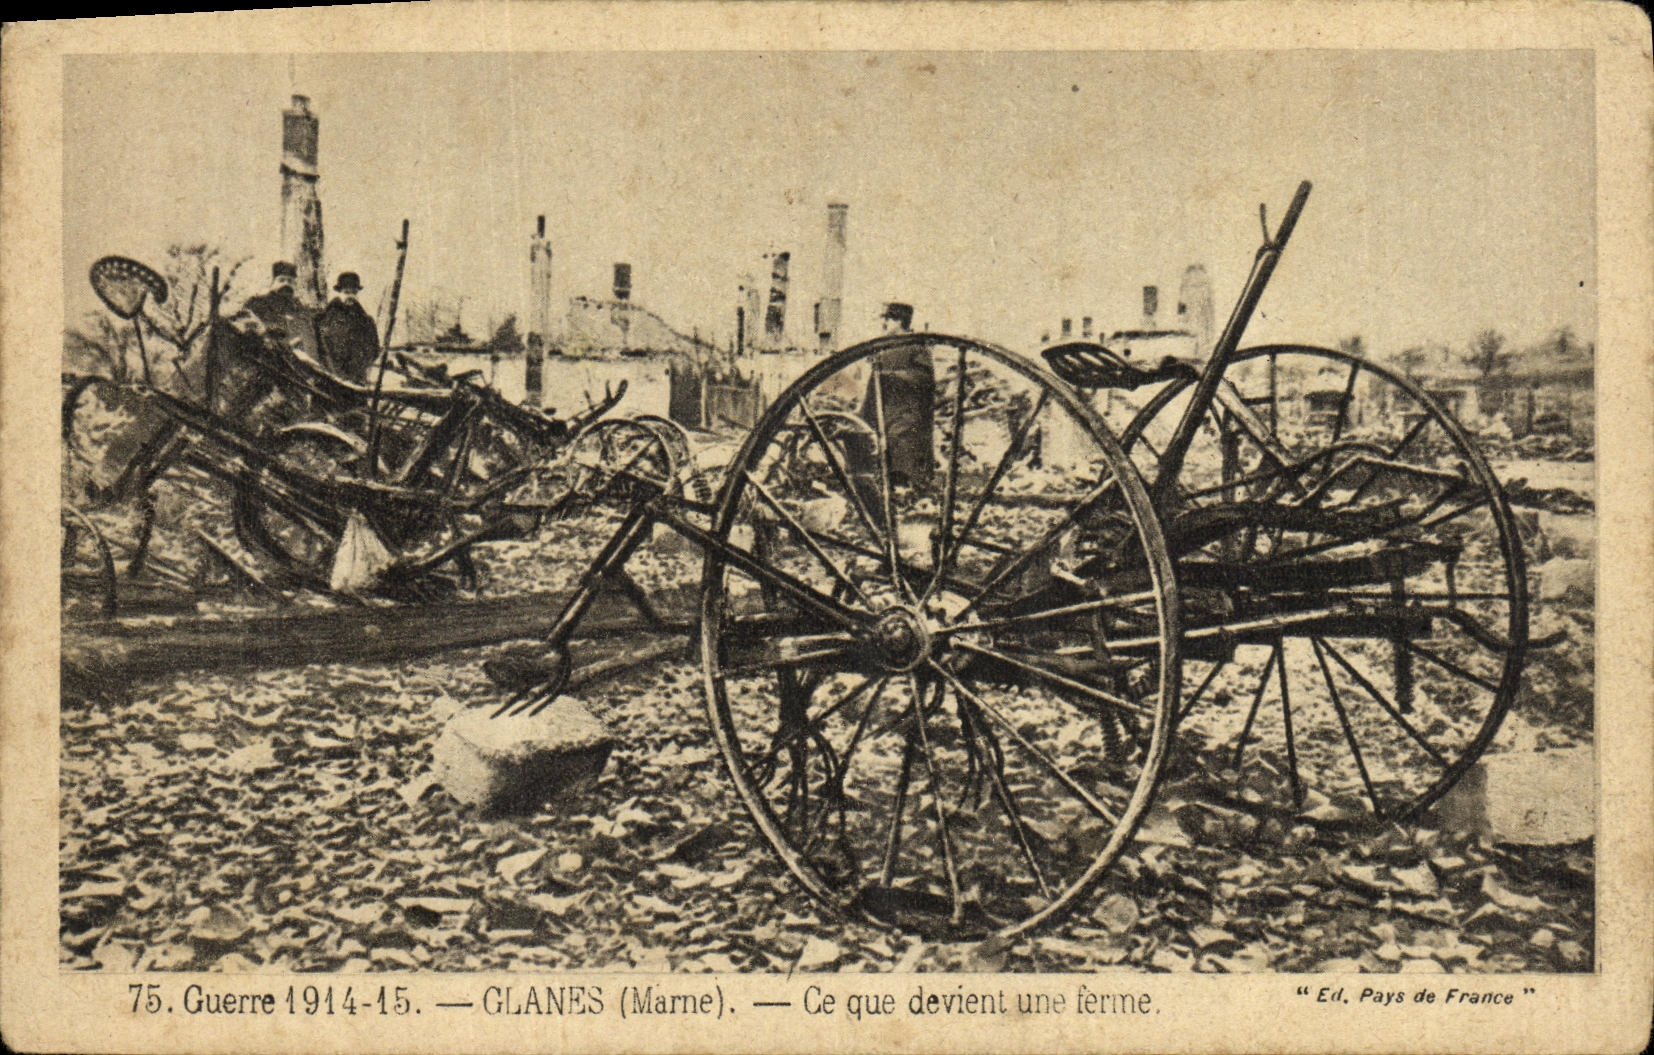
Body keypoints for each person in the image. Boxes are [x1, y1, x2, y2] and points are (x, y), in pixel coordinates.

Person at [864, 302, 935, 489]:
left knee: (902, 446)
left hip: (908, 410)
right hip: (887, 409)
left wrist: (895, 376)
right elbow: (873, 382)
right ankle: (892, 489)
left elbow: (924, 377)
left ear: (900, 321)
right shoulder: (884, 347)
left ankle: (911, 487)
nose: (885, 323)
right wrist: (866, 411)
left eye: (889, 319)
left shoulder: (916, 346)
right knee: (883, 447)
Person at [235, 261, 321, 363]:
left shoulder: (301, 310)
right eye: (281, 280)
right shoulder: (257, 304)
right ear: (272, 283)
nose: (286, 284)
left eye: (290, 281)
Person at [316, 271, 380, 384]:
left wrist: (361, 367)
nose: (350, 296)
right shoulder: (325, 318)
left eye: (354, 292)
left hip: (357, 379)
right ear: (339, 293)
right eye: (346, 292)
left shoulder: (366, 321)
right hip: (331, 379)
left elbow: (374, 350)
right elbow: (321, 348)